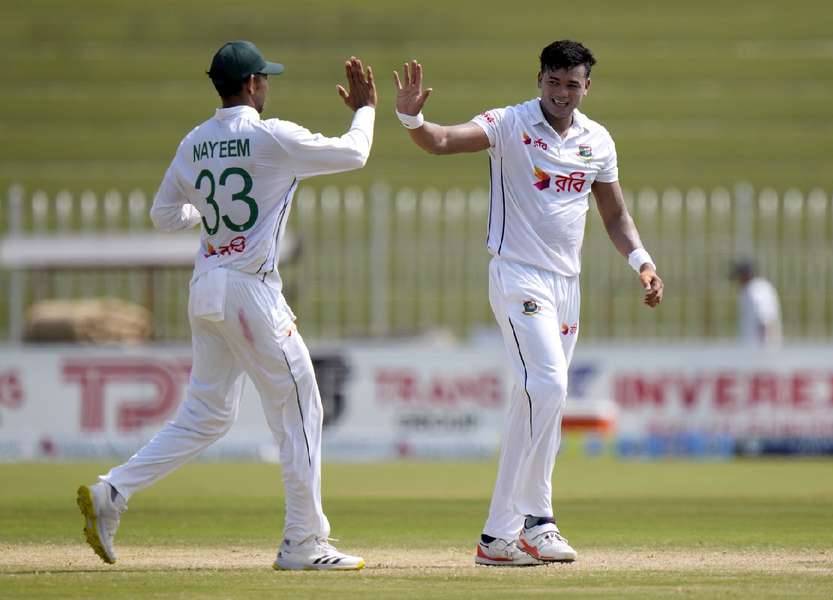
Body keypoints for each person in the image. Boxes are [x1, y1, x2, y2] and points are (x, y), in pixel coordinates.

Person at [77, 40, 377, 571]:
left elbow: (163, 214)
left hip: (208, 285)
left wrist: (207, 216)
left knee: (207, 415)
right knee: (302, 406)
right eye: (266, 79)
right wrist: (366, 110)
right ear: (254, 85)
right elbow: (355, 153)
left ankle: (113, 491)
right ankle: (305, 542)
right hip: (249, 288)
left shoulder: (194, 142)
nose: (268, 86)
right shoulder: (271, 135)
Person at [393, 40, 663, 566]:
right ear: (539, 79)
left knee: (533, 404)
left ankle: (496, 538)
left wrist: (643, 263)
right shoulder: (509, 124)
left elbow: (614, 217)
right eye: (554, 82)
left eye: (573, 84)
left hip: (568, 286)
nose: (563, 94)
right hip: (518, 276)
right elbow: (443, 140)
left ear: (588, 86)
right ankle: (538, 521)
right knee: (550, 385)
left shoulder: (597, 141)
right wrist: (411, 119)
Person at [731, 259, 782, 348]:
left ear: (745, 275)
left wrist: (763, 350)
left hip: (760, 352)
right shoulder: (750, 290)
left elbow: (764, 321)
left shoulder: (757, 291)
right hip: (753, 350)